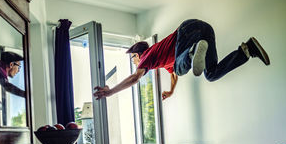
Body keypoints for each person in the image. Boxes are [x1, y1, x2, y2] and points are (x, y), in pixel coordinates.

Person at [94, 19, 270, 101]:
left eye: (133, 58)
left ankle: (193, 51)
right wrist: (171, 91)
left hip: (188, 30)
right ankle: (247, 50)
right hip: (205, 30)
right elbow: (174, 74)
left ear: (138, 54)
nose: (134, 63)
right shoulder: (161, 58)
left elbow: (135, 78)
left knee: (181, 67)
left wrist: (110, 92)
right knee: (211, 74)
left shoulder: (147, 57)